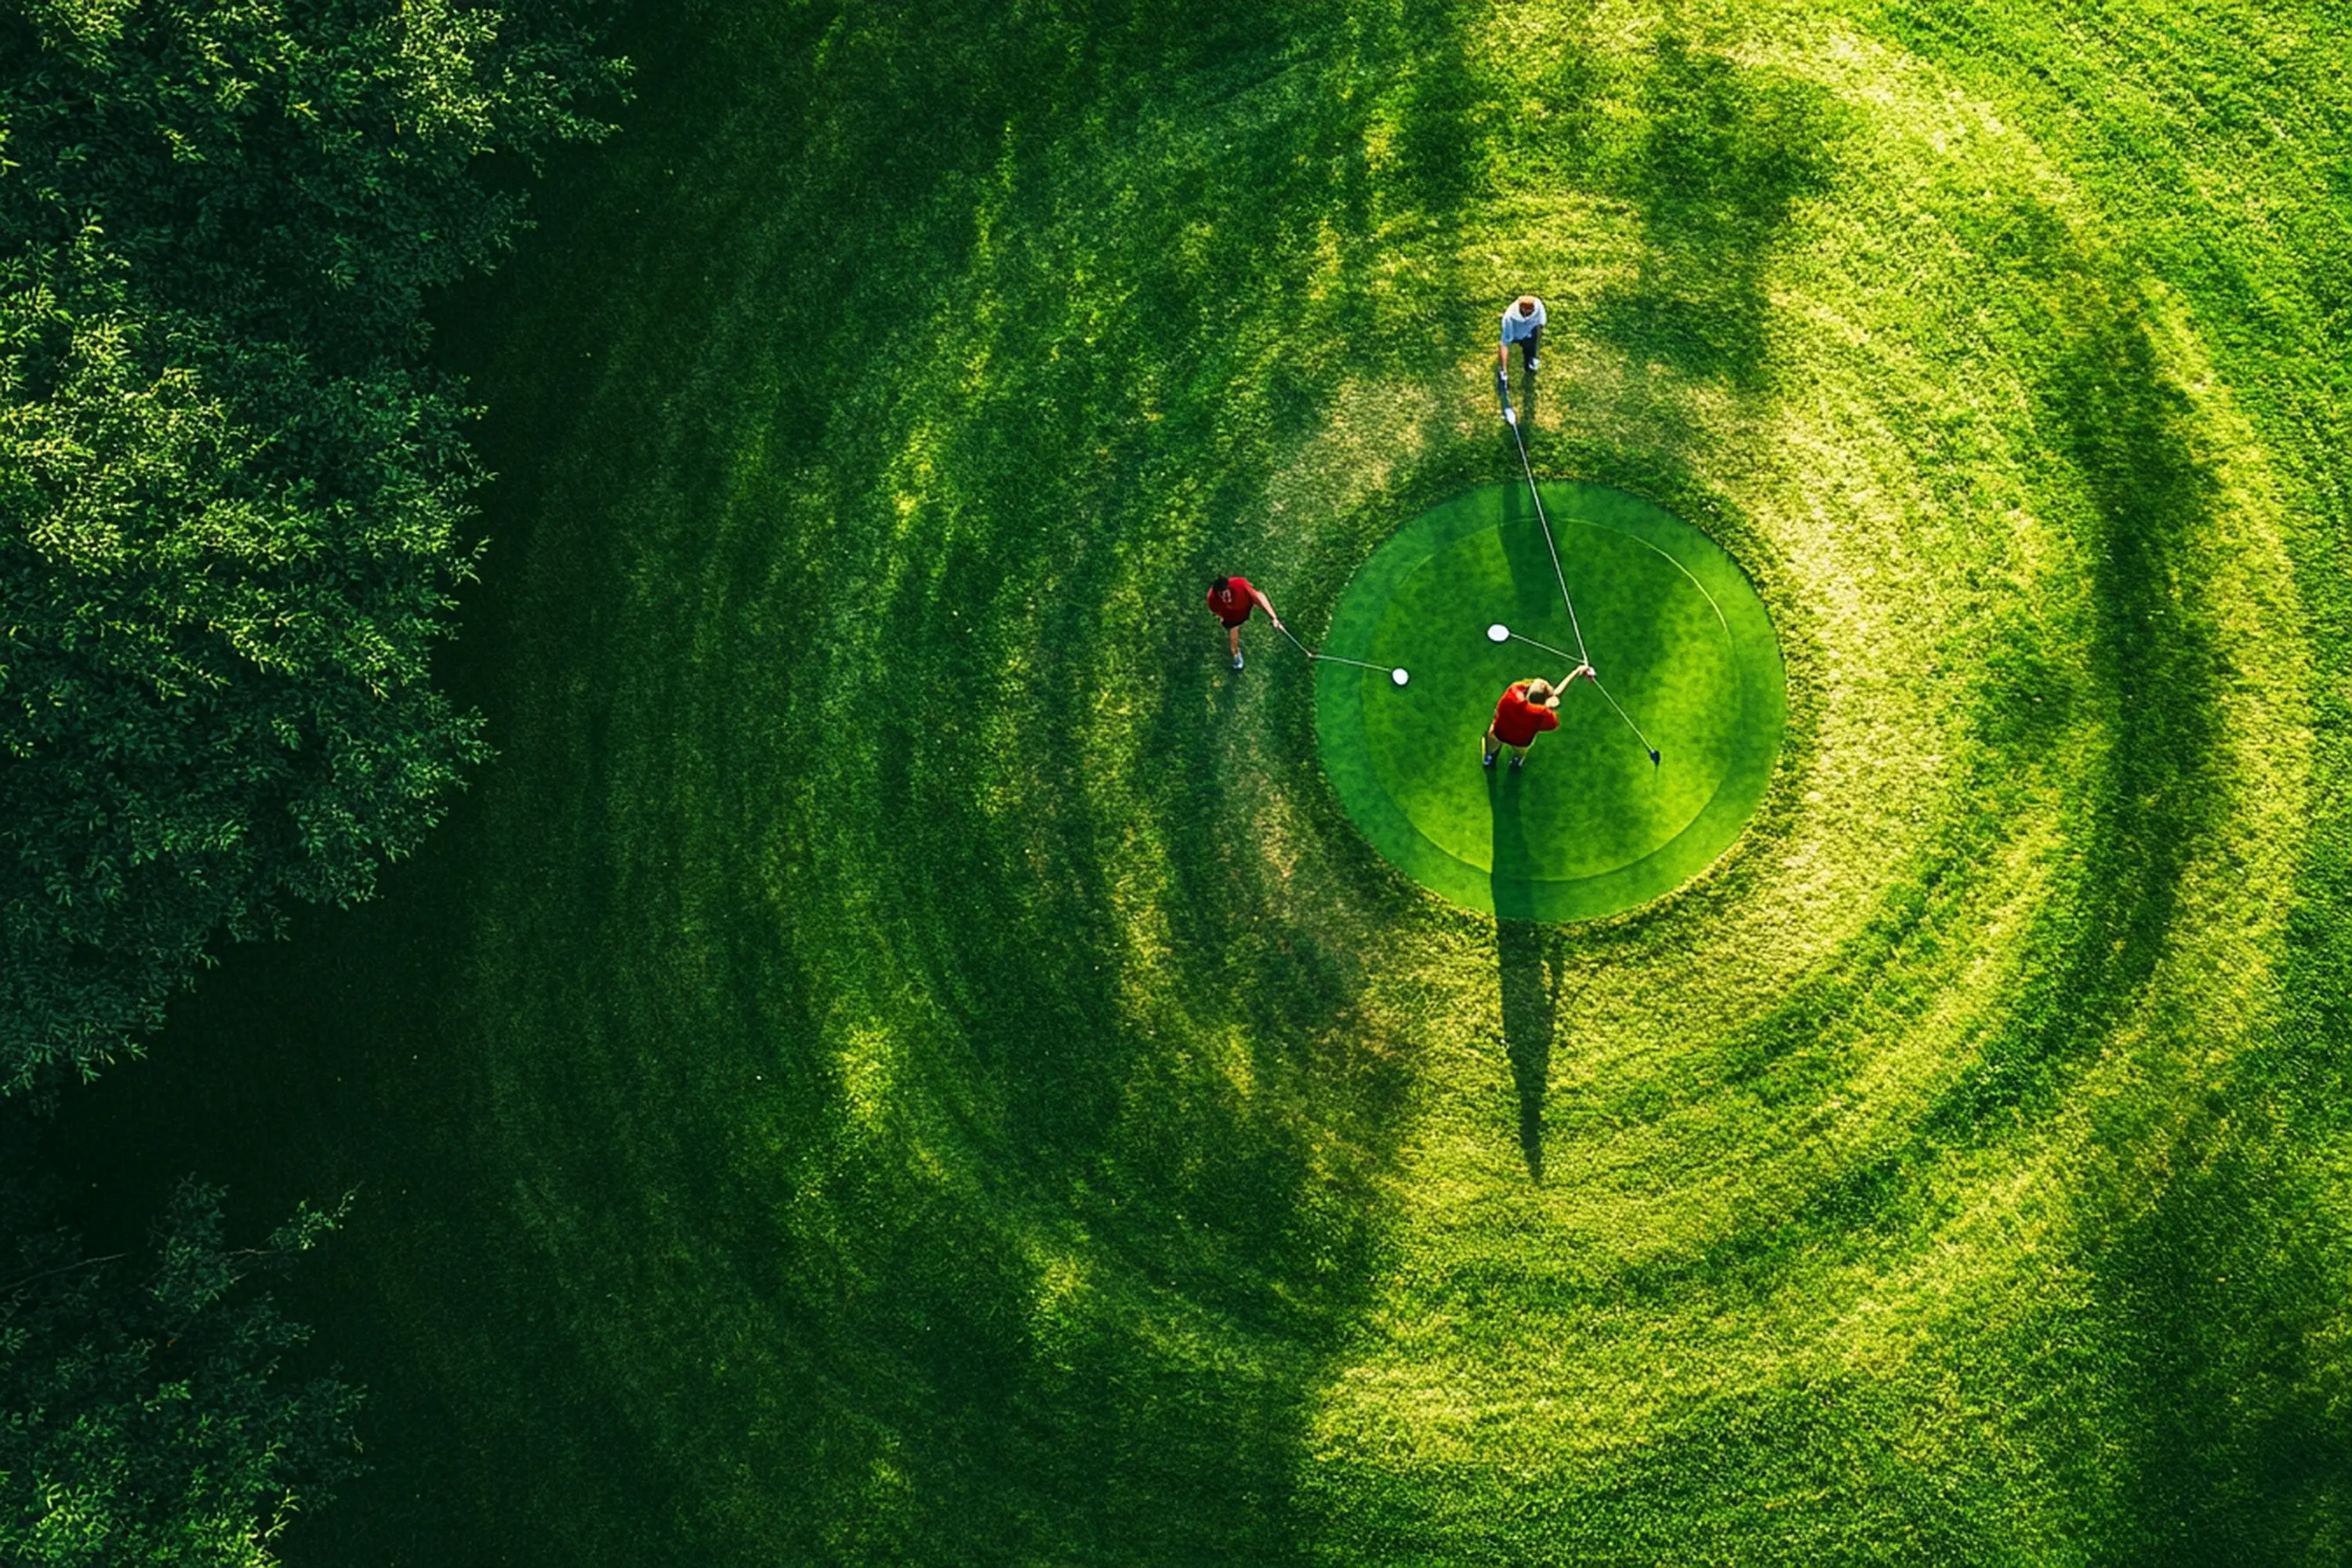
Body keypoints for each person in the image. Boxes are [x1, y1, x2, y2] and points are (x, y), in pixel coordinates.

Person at [1484, 666, 1592, 769]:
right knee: (1520, 752)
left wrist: (1577, 671)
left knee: (1491, 744)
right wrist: (1550, 707)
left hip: (1499, 732)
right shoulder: (1543, 714)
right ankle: (1516, 762)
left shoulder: (1513, 691)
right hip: (1521, 741)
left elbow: (1534, 689)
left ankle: (1488, 758)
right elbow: (1553, 723)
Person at [1206, 575, 1284, 670]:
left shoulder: (1240, 584)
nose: (1224, 598)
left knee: (1258, 597)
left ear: (1229, 588)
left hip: (1247, 602)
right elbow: (1220, 614)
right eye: (1221, 596)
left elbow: (1258, 598)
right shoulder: (1212, 601)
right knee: (1233, 638)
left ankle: (1275, 620)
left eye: (1226, 594)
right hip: (1234, 615)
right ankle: (1236, 655)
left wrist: (1273, 618)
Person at [1497, 293, 1544, 378]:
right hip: (1514, 333)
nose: (1533, 311)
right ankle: (1503, 372)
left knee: (1530, 346)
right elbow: (1507, 339)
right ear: (1523, 309)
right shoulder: (1509, 317)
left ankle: (1532, 360)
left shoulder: (1538, 306)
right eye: (1530, 310)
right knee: (1504, 343)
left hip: (1528, 333)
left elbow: (1540, 324)